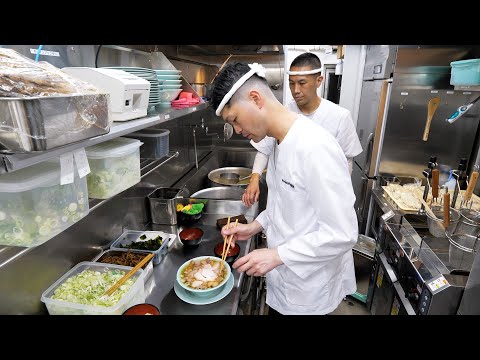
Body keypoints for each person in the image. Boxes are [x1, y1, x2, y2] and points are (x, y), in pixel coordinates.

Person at [210, 62, 358, 315]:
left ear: (255, 98)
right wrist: (255, 225)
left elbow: (342, 233)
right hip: (286, 280)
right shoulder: (279, 140)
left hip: (309, 289)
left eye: (234, 119)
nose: (236, 130)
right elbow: (287, 203)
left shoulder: (315, 147)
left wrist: (277, 255)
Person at [242, 52, 362, 208]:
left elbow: (346, 160)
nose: (295, 89)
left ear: (319, 81)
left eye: (302, 83)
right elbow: (264, 149)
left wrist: (337, 195)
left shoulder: (339, 117)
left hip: (319, 199)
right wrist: (254, 178)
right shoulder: (283, 113)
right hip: (286, 198)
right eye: (291, 83)